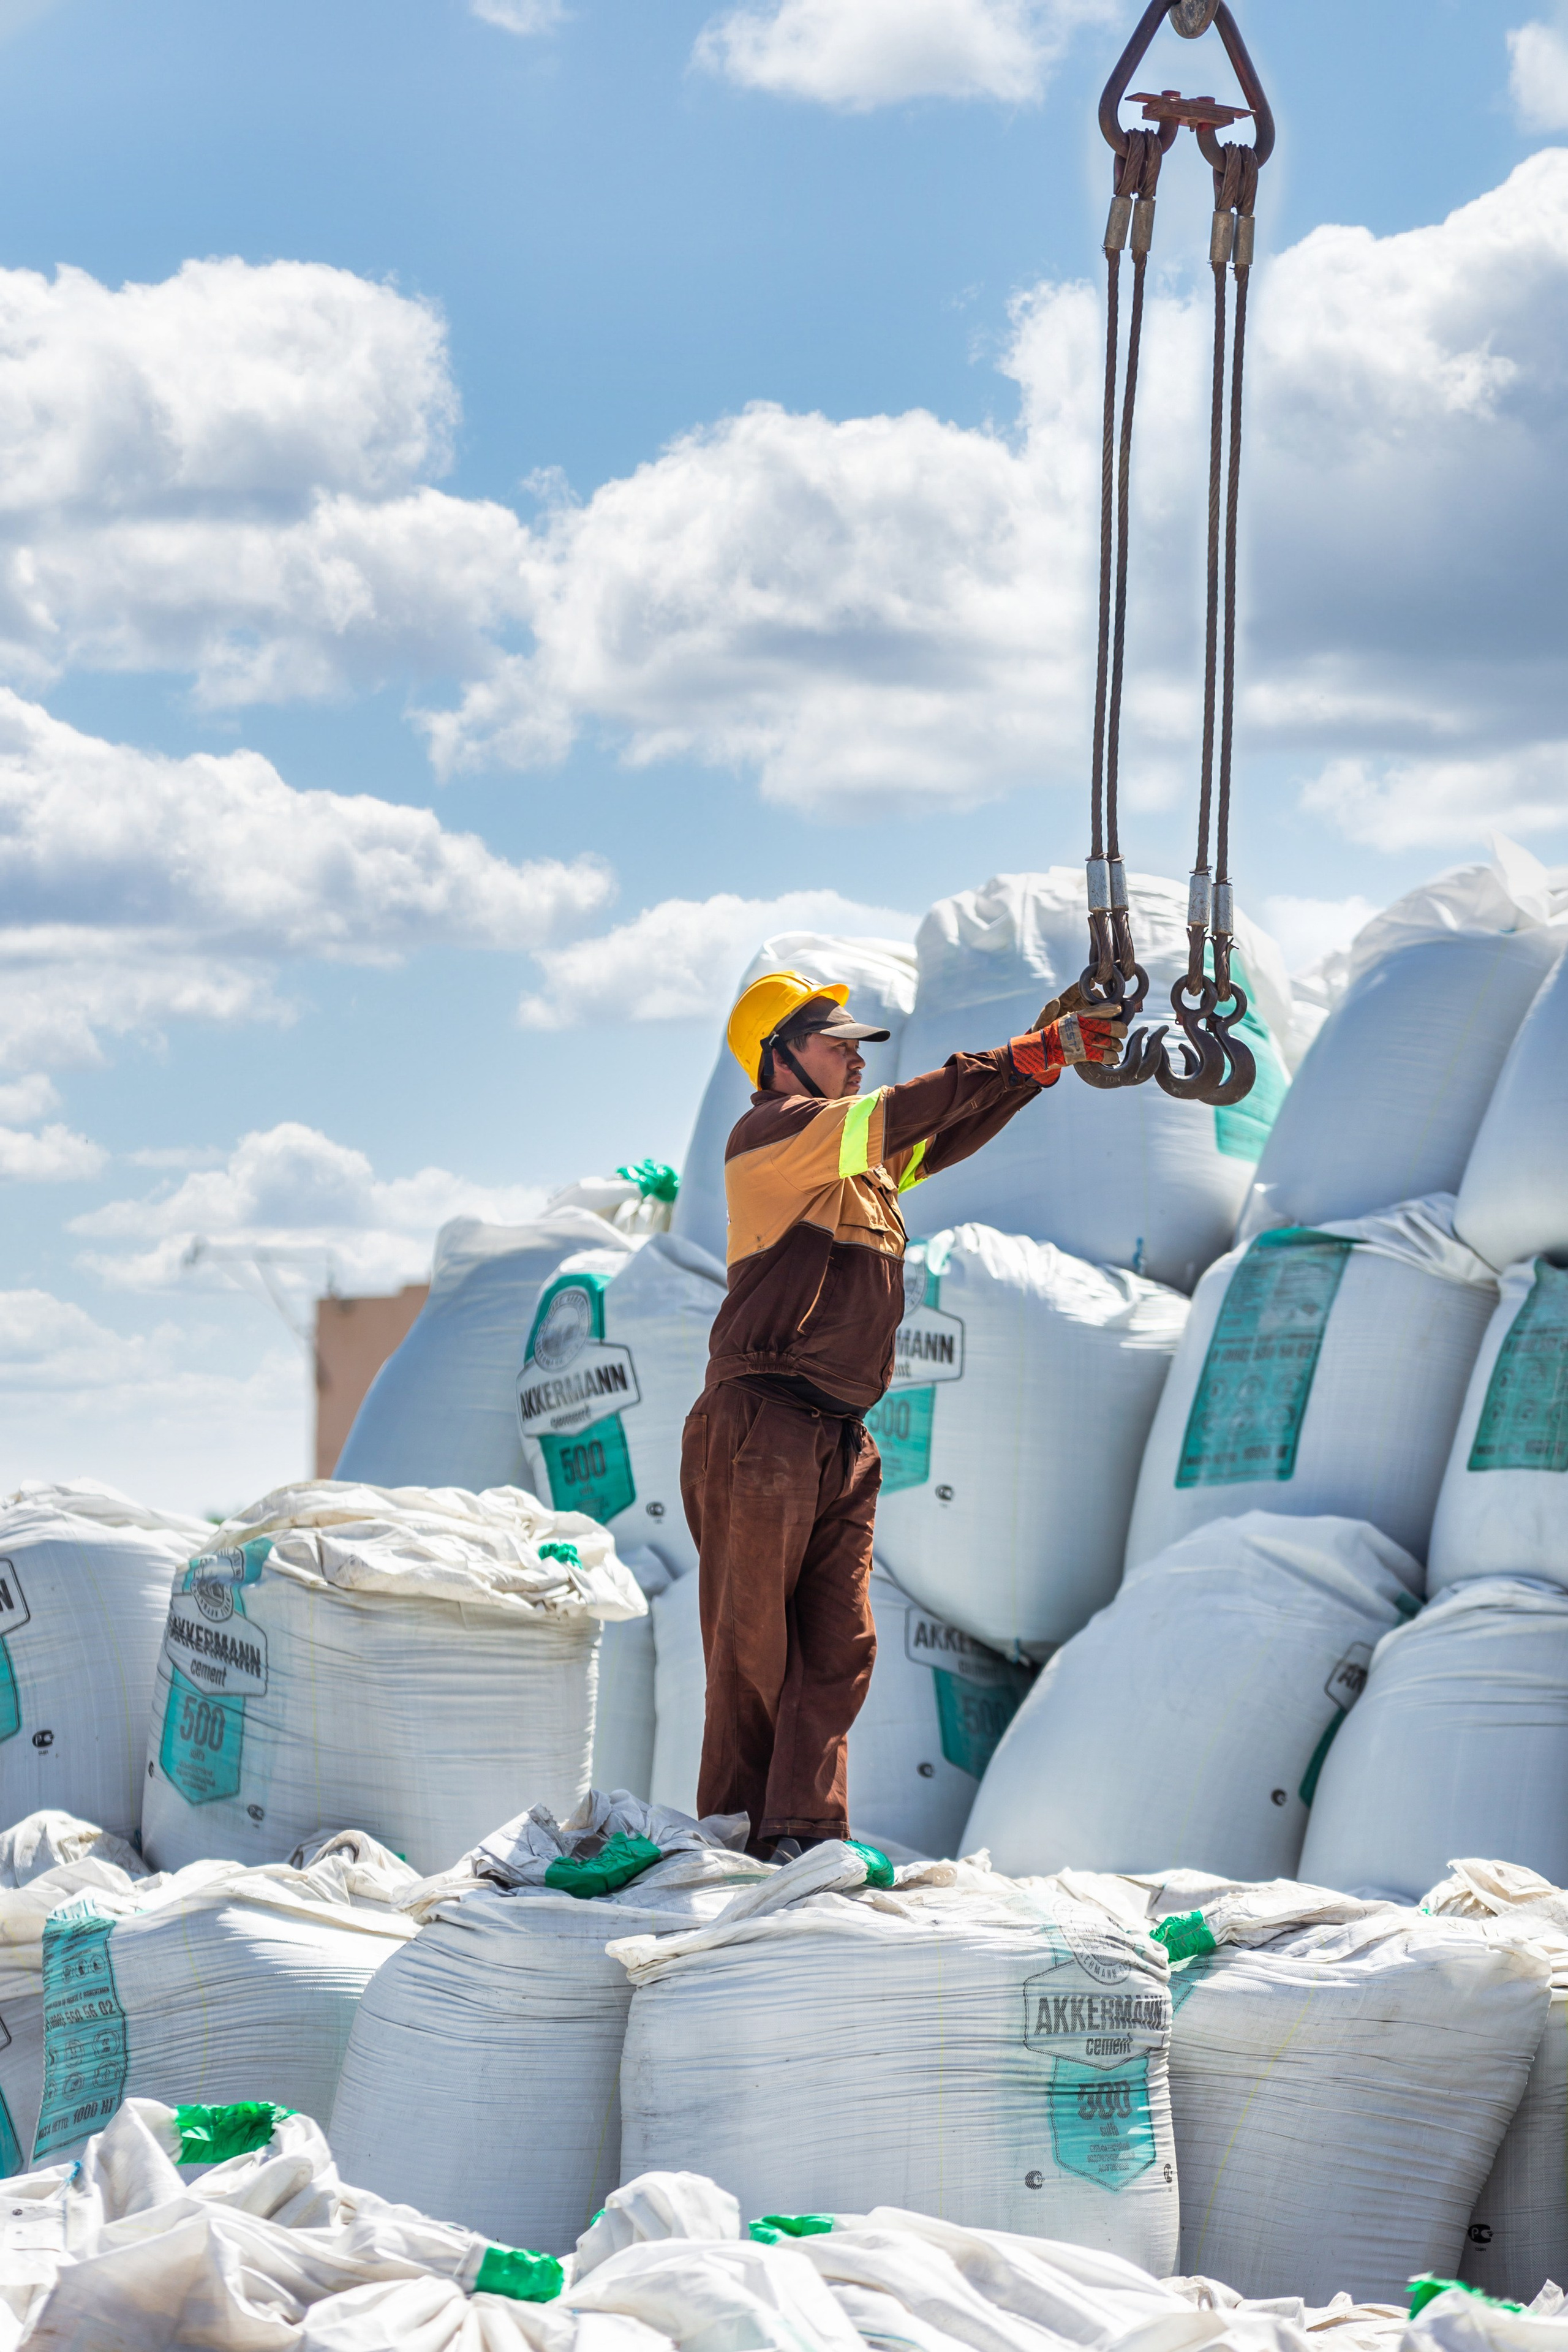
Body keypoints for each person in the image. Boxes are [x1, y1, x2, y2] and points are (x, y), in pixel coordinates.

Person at [680, 967, 1126, 1858]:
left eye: (855, 1047)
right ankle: (730, 1842)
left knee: (840, 1646)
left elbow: (938, 1132)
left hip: (837, 1436)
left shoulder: (853, 1170)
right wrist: (1025, 1051)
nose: (852, 1058)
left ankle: (803, 1843)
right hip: (761, 1425)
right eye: (834, 1044)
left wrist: (1036, 1072)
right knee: (753, 1648)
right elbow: (898, 1115)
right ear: (778, 1058)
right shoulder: (773, 1133)